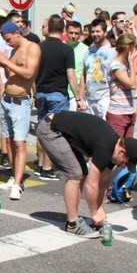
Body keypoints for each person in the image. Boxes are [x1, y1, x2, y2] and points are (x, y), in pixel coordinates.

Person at [36, 110, 137, 238]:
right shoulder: (105, 148)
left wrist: (100, 209)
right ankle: (72, 224)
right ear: (122, 151)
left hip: (61, 130)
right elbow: (91, 186)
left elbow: (103, 181)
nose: (122, 165)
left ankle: (75, 219)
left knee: (81, 173)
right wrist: (94, 213)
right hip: (51, 129)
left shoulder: (114, 152)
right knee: (75, 174)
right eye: (125, 163)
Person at [0, 21, 41, 199]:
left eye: (8, 39)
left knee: (20, 143)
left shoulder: (32, 48)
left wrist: (6, 62)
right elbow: (10, 74)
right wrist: (2, 64)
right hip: (7, 100)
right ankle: (14, 177)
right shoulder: (13, 50)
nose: (7, 43)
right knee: (10, 142)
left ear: (17, 33)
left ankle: (18, 184)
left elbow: (28, 73)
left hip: (21, 102)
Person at [34, 15, 79, 180]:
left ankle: (40, 164)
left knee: (41, 129)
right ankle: (48, 168)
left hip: (41, 92)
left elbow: (34, 72)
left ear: (49, 28)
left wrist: (34, 91)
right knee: (52, 132)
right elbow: (71, 75)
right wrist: (78, 96)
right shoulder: (67, 49)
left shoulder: (39, 47)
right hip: (58, 94)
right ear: (64, 30)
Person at [106, 33, 137, 138]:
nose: (136, 51)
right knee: (117, 148)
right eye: (134, 47)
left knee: (128, 147)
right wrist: (132, 63)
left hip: (129, 111)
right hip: (118, 114)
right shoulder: (115, 66)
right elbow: (132, 84)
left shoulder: (124, 64)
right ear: (127, 49)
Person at [82, 18, 115, 119]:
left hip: (104, 98)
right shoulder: (88, 50)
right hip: (89, 98)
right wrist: (80, 98)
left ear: (105, 32)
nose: (95, 34)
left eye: (98, 31)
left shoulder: (112, 51)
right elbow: (83, 75)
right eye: (92, 32)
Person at [65, 20, 88, 111]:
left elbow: (84, 74)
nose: (73, 36)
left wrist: (80, 96)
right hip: (62, 92)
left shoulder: (86, 49)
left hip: (76, 93)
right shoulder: (62, 47)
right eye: (71, 33)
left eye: (76, 33)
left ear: (80, 34)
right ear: (66, 32)